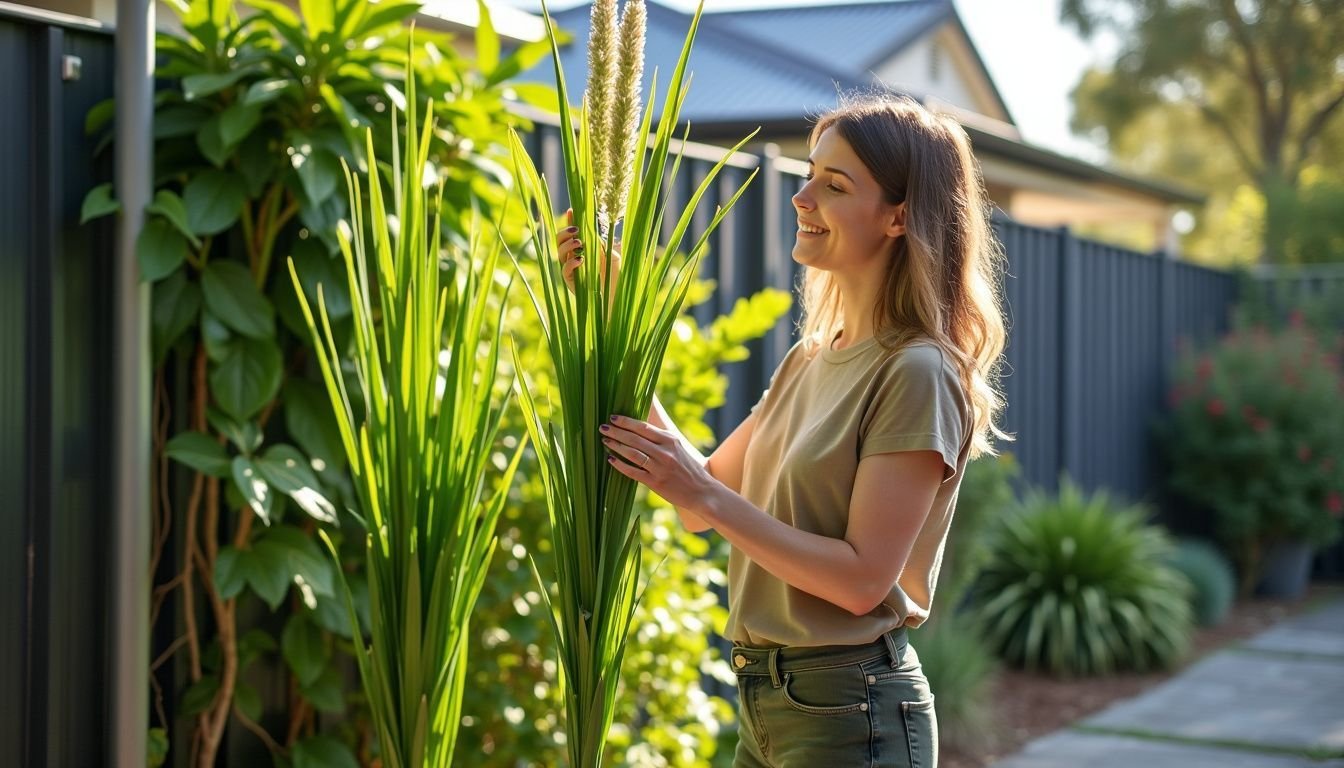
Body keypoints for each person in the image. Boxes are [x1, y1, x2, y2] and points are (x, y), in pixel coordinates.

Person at [557, 93, 1007, 768]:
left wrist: (705, 496)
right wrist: (619, 314)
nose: (802, 199)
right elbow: (698, 499)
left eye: (834, 184)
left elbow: (861, 582)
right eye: (809, 175)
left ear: (899, 216)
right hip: (766, 701)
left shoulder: (917, 371)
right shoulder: (812, 358)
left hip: (850, 711)